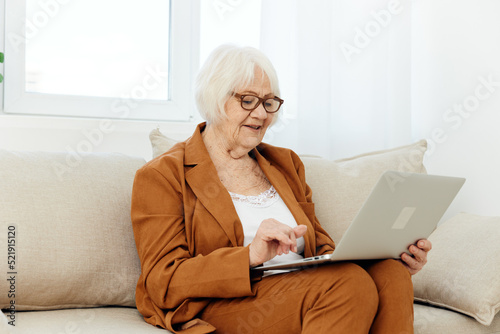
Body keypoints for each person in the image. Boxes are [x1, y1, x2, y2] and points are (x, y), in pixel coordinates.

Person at [131, 44, 431, 334]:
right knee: (347, 284)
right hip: (224, 302)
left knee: (391, 274)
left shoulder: (286, 164)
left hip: (303, 286)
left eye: (269, 102)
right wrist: (250, 255)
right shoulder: (162, 175)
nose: (262, 114)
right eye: (248, 100)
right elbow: (163, 281)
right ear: (214, 100)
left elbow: (321, 247)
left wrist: (386, 252)